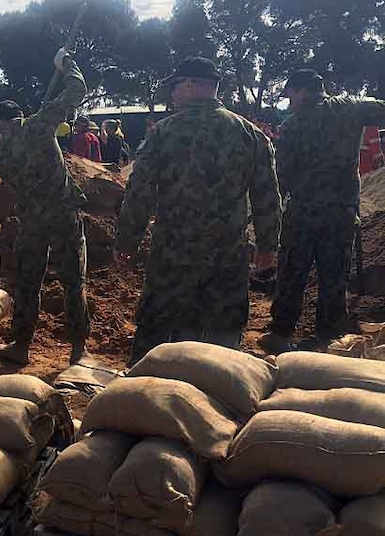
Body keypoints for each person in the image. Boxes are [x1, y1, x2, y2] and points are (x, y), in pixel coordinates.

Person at [115, 57, 281, 365]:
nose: (173, 95)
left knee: (158, 332)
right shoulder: (250, 135)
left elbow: (139, 193)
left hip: (173, 255)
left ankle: (143, 395)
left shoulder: (163, 133)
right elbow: (267, 196)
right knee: (222, 339)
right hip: (227, 254)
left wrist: (127, 241)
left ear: (190, 85)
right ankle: (216, 400)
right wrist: (268, 247)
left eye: (175, 87)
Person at [260, 69, 385, 354]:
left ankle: (281, 332)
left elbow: (283, 177)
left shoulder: (292, 126)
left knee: (292, 272)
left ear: (302, 91)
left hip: (302, 212)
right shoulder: (351, 108)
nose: (289, 102)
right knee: (334, 275)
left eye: (290, 95)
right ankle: (328, 337)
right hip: (341, 213)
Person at [0, 48, 91, 367]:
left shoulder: (1, 154)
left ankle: (21, 345)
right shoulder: (40, 123)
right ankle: (78, 348)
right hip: (63, 214)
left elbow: (12, 181)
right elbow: (77, 91)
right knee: (73, 280)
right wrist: (65, 64)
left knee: (28, 282)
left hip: (32, 220)